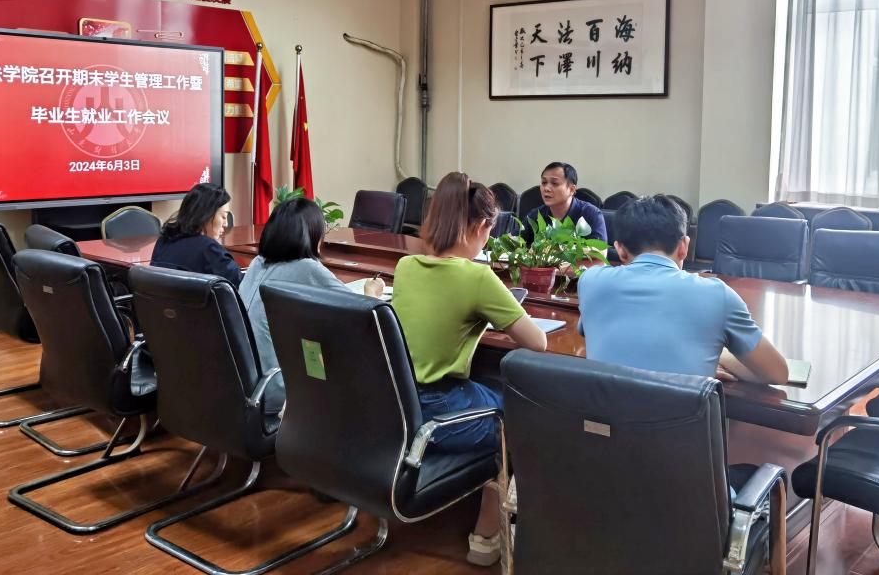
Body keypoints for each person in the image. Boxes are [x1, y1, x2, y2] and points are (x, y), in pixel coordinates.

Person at [391, 171, 547, 567]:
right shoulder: (477, 276)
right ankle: (486, 535)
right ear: (480, 227)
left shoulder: (406, 265)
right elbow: (537, 342)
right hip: (439, 408)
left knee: (490, 389)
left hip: (397, 405)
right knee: (518, 416)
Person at [577, 195, 788, 384]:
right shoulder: (717, 295)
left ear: (620, 250)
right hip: (682, 417)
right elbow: (777, 373)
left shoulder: (590, 281)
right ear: (684, 247)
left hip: (603, 415)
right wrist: (716, 355)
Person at [238, 197, 382, 417]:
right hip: (274, 391)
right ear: (313, 236)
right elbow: (364, 314)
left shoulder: (258, 263)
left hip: (243, 387)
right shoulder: (306, 268)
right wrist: (372, 292)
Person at [151, 183, 242, 286]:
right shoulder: (209, 249)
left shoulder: (163, 241)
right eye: (224, 217)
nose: (226, 224)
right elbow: (242, 286)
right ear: (207, 215)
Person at [521, 161, 606, 245]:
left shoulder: (591, 214)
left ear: (571, 190)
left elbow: (600, 250)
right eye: (544, 182)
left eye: (555, 183)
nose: (546, 188)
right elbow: (515, 242)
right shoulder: (536, 215)